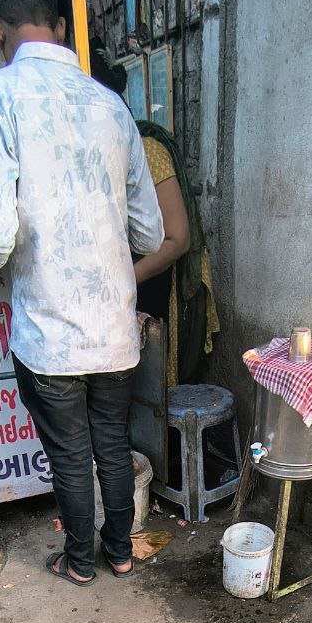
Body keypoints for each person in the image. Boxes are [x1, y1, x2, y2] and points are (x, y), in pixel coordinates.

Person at [0, 0, 164, 587]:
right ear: (57, 24)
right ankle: (121, 551)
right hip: (113, 329)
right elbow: (151, 233)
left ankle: (80, 561)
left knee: (71, 457)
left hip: (51, 334)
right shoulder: (111, 106)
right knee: (110, 443)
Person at [90, 50, 219, 385]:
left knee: (153, 391)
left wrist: (124, 281)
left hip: (154, 280)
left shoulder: (146, 149)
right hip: (125, 280)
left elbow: (177, 238)